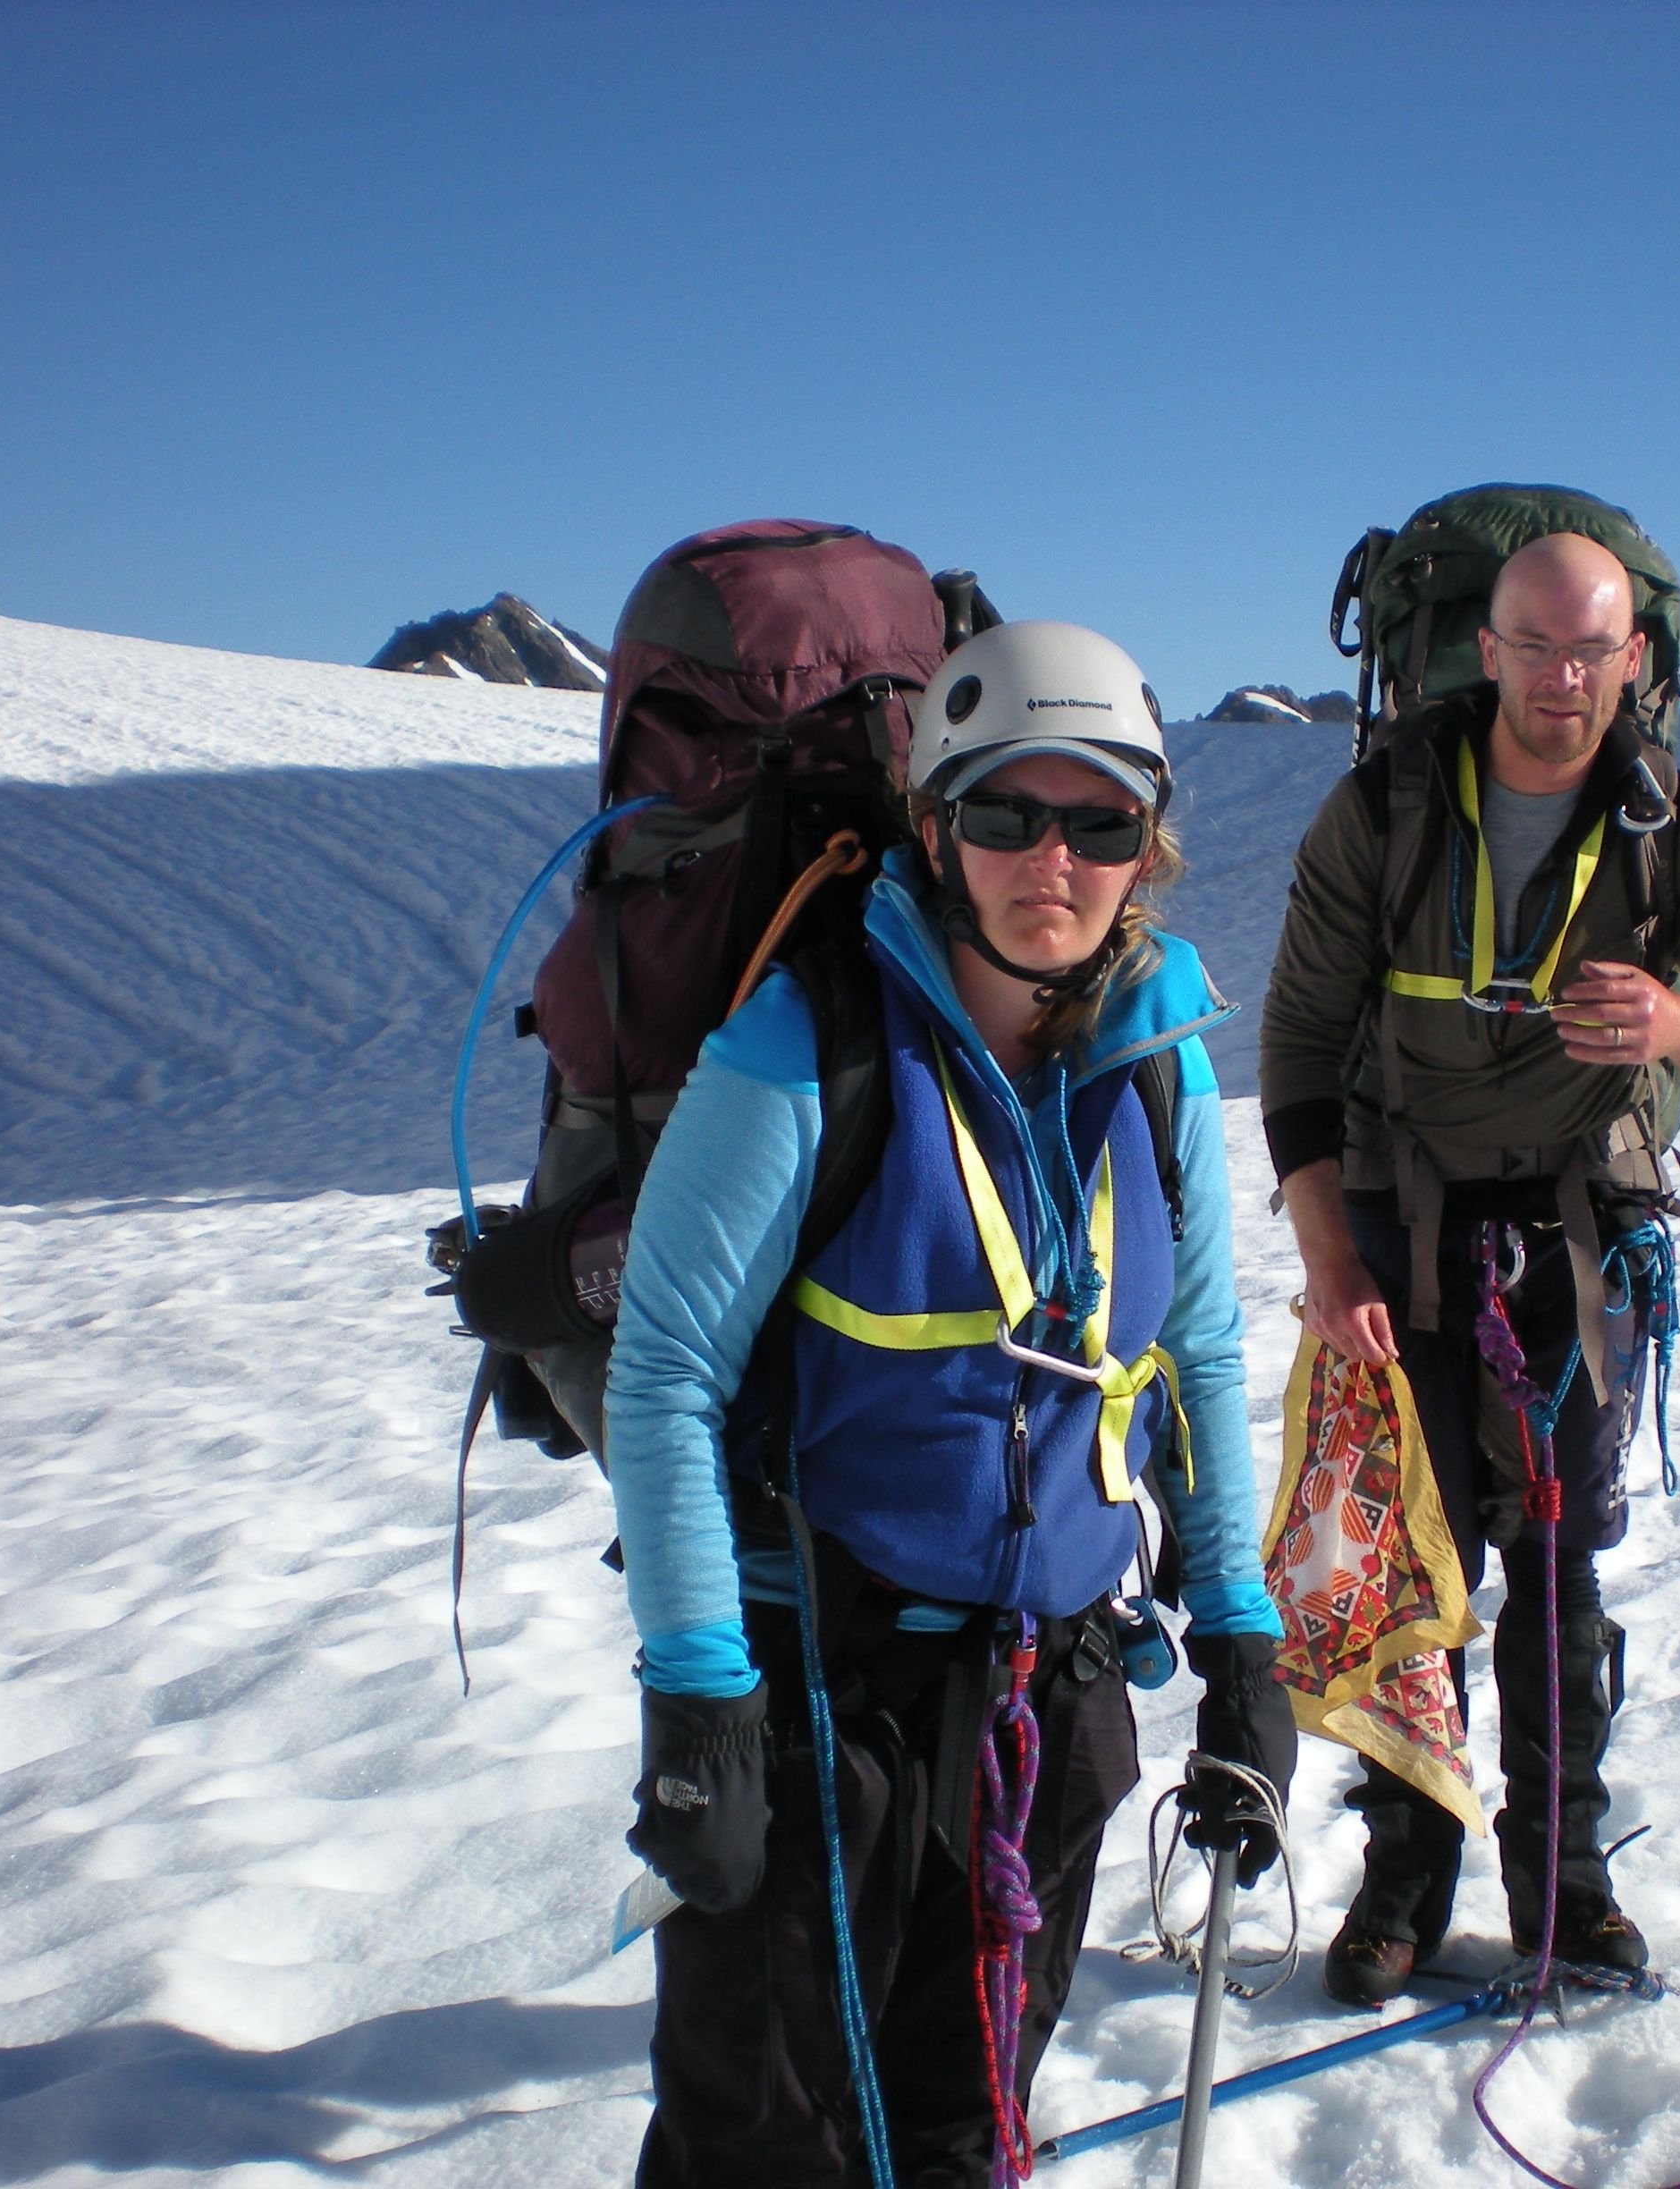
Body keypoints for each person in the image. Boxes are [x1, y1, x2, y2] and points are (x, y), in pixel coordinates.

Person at [604, 620, 1295, 2185]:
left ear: (1147, 848)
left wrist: (1241, 1635)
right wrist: (699, 1703)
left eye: (1100, 823)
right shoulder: (809, 1046)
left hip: (1048, 1702)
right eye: (1007, 813)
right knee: (761, 2149)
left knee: (967, 2125)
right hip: (817, 1700)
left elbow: (1195, 1352)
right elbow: (664, 1376)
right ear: (936, 829)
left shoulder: (1164, 1064)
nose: (1054, 859)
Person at [1260, 531, 1680, 2006]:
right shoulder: (1382, 809)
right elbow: (1298, 1044)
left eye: (1592, 651)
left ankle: (1563, 1886)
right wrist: (1329, 1258)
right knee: (1409, 1567)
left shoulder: (1678, 826)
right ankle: (1405, 1880)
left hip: (1580, 1239)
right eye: (1537, 646)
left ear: (1635, 660)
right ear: (1486, 650)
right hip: (1394, 1228)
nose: (1564, 679)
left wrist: (1679, 1029)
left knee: (1556, 1573)